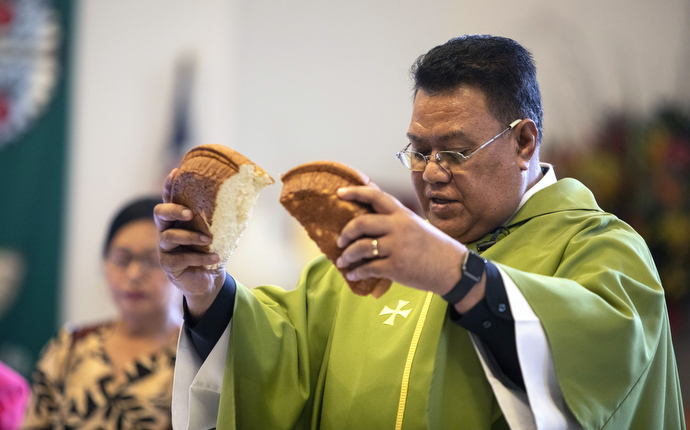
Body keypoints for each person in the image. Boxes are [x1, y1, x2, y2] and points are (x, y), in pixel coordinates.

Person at [156, 35, 685, 429]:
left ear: (524, 142)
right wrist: (206, 290)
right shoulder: (370, 251)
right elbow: (278, 357)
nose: (430, 172)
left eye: (454, 152)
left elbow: (605, 371)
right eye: (418, 149)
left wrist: (454, 272)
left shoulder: (601, 250)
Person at [23, 197, 182, 429]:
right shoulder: (71, 346)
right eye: (122, 259)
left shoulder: (196, 357)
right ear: (105, 263)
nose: (134, 274)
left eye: (152, 260)